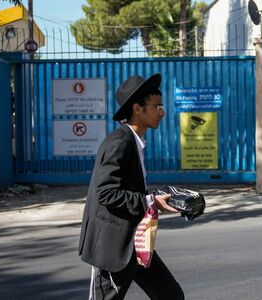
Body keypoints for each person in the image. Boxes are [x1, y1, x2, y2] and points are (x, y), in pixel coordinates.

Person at [78, 73, 185, 300]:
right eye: (157, 106)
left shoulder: (133, 142)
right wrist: (149, 201)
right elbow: (106, 193)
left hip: (135, 242)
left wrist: (159, 201)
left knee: (170, 295)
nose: (162, 112)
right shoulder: (120, 143)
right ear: (138, 109)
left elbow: (130, 191)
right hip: (113, 246)